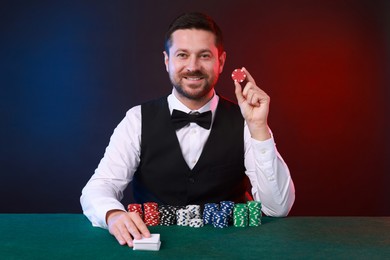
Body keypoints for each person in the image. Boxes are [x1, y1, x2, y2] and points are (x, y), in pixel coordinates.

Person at [81, 12, 295, 247]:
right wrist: (113, 215)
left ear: (221, 62)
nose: (193, 67)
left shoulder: (246, 121)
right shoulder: (136, 119)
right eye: (182, 55)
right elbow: (99, 186)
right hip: (155, 246)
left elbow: (277, 208)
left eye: (204, 56)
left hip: (231, 247)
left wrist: (258, 127)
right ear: (167, 61)